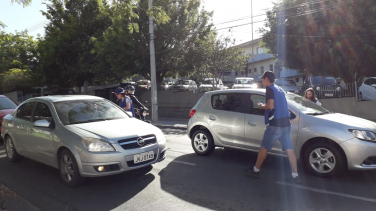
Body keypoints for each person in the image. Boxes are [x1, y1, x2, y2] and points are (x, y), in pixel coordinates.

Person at [244, 71, 300, 182]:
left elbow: (270, 106)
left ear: (266, 79)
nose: (261, 81)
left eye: (262, 79)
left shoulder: (269, 89)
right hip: (286, 123)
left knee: (264, 146)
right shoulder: (279, 89)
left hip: (275, 125)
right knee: (289, 149)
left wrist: (261, 106)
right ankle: (295, 175)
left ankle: (256, 170)